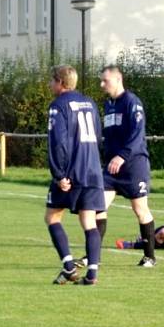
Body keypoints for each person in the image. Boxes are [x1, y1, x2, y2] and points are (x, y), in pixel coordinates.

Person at [44, 65, 106, 285]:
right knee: (89, 220)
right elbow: (98, 136)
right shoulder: (90, 103)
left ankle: (69, 267)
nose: (49, 85)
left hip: (71, 172)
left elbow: (57, 142)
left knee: (52, 216)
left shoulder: (58, 105)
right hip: (93, 171)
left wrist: (59, 174)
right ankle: (92, 274)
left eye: (51, 80)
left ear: (60, 82)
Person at [94, 65, 158, 268]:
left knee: (140, 209)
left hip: (133, 165)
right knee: (97, 207)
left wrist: (122, 156)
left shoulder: (132, 102)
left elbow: (137, 135)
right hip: (112, 167)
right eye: (101, 80)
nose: (102, 84)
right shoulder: (108, 104)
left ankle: (149, 257)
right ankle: (94, 256)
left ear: (118, 79)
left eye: (105, 80)